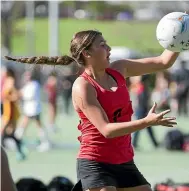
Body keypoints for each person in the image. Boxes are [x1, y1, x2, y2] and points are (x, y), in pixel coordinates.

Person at [5, 30, 179, 191]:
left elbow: (164, 61)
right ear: (87, 53)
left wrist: (181, 33)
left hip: (124, 160)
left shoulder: (120, 68)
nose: (109, 48)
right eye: (102, 45)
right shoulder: (83, 86)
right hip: (96, 163)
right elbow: (106, 130)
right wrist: (145, 122)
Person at [15, 71, 50, 152]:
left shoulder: (34, 84)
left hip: (33, 110)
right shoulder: (28, 85)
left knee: (36, 126)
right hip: (29, 109)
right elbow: (21, 93)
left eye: (27, 76)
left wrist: (19, 95)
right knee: (26, 125)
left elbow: (28, 95)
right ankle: (17, 140)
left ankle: (45, 143)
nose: (26, 78)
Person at [1, 67, 26, 161]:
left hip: (11, 110)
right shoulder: (7, 80)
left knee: (5, 130)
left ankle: (18, 148)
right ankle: (19, 148)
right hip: (6, 108)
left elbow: (15, 95)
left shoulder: (10, 81)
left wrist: (9, 97)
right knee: (8, 132)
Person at [131, 75, 159, 149]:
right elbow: (142, 102)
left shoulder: (142, 88)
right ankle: (134, 143)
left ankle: (155, 143)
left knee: (147, 128)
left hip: (142, 110)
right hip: (141, 110)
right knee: (138, 128)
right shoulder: (142, 88)